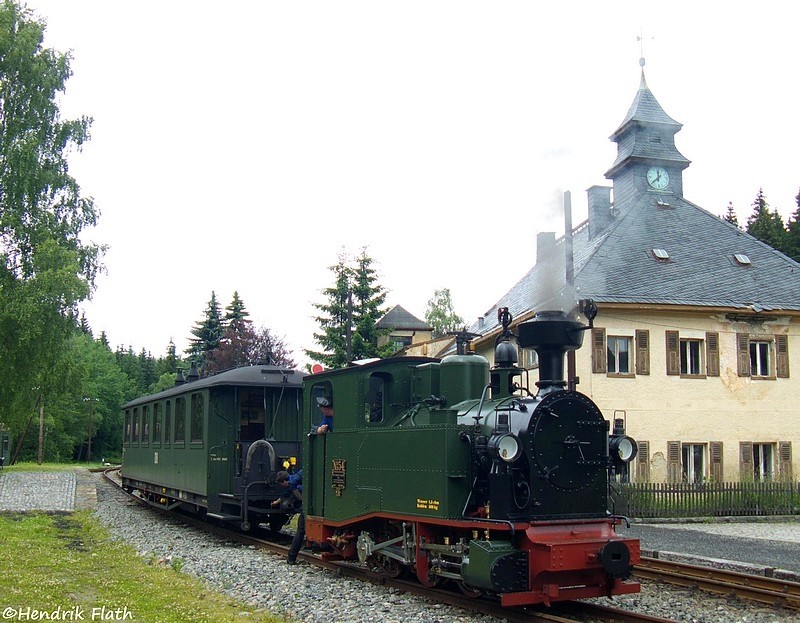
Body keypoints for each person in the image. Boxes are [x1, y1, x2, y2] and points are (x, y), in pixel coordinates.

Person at [272, 470, 305, 564]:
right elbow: (285, 494)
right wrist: (277, 502)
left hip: (306, 507)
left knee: (300, 531)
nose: (282, 486)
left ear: (284, 481)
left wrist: (302, 500)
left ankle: (291, 558)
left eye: (281, 484)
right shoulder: (297, 476)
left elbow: (292, 491)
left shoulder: (294, 483)